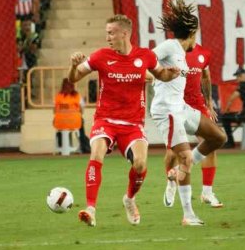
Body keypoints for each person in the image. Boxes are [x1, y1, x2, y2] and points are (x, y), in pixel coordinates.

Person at [67, 15, 180, 227]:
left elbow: (161, 74)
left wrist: (170, 75)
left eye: (111, 32)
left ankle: (129, 198)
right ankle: (91, 208)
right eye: (107, 32)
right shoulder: (101, 56)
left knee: (140, 164)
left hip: (133, 124)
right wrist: (74, 66)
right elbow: (73, 78)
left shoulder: (145, 56)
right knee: (97, 153)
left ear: (124, 33)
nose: (107, 37)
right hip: (105, 120)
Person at [150, 0, 227, 226]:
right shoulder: (169, 46)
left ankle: (180, 170)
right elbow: (146, 59)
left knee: (218, 137)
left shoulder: (182, 52)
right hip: (168, 112)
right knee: (184, 157)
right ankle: (188, 215)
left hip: (182, 109)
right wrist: (161, 73)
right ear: (192, 33)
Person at [162, 38, 223, 210]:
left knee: (210, 144)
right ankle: (171, 181)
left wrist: (209, 103)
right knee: (171, 154)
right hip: (175, 104)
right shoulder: (171, 50)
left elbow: (206, 77)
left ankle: (207, 192)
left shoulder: (204, 53)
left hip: (197, 104)